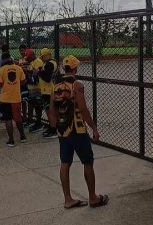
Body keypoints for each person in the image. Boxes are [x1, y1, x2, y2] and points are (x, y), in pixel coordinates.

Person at [50, 55, 108, 209]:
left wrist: (55, 125)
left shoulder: (56, 85)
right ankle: (93, 197)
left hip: (62, 130)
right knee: (87, 162)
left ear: (64, 67)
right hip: (77, 129)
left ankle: (68, 199)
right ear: (75, 68)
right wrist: (93, 127)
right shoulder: (77, 84)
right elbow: (82, 107)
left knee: (65, 162)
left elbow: (52, 108)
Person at [0, 53, 27, 147]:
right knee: (18, 118)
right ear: (11, 58)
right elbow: (23, 82)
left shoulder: (1, 70)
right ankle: (22, 136)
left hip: (5, 98)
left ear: (3, 60)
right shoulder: (18, 68)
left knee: (8, 119)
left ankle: (11, 140)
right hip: (16, 97)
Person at [35, 48, 58, 139]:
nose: (42, 58)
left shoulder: (50, 64)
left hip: (49, 91)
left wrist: (39, 72)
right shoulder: (49, 63)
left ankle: (54, 130)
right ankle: (51, 127)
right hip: (46, 90)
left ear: (47, 55)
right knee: (49, 111)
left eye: (43, 56)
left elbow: (47, 78)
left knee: (50, 111)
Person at [24, 49, 44, 133]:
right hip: (32, 87)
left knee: (38, 105)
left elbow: (36, 72)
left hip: (37, 87)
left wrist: (26, 70)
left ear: (32, 55)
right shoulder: (33, 61)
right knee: (34, 104)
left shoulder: (38, 61)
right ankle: (36, 121)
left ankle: (39, 123)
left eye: (28, 57)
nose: (27, 59)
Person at [16, 44, 29, 123]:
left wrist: (21, 67)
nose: (21, 52)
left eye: (22, 50)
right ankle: (23, 116)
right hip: (21, 82)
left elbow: (28, 68)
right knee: (22, 100)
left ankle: (26, 116)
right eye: (20, 50)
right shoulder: (20, 59)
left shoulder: (28, 59)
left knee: (26, 100)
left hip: (27, 81)